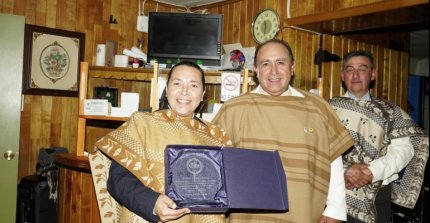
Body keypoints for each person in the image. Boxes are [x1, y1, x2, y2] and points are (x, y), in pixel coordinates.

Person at [212, 39, 355, 223]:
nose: (273, 71)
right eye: (265, 64)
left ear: (292, 67)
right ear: (256, 70)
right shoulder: (233, 109)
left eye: (280, 62)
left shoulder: (317, 107)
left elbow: (333, 158)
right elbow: (213, 163)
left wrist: (336, 209)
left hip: (304, 212)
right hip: (247, 217)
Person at [89, 61, 232, 222]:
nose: (184, 92)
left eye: (193, 85)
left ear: (203, 93)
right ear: (167, 88)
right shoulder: (142, 124)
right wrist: (153, 202)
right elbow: (118, 180)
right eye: (177, 83)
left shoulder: (218, 138)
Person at [328, 50, 429, 223]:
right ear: (342, 75)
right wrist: (346, 170)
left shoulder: (390, 112)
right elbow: (318, 149)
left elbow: (404, 151)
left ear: (372, 74)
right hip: (334, 191)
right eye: (350, 69)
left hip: (378, 196)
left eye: (362, 68)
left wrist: (371, 172)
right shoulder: (327, 109)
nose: (356, 75)